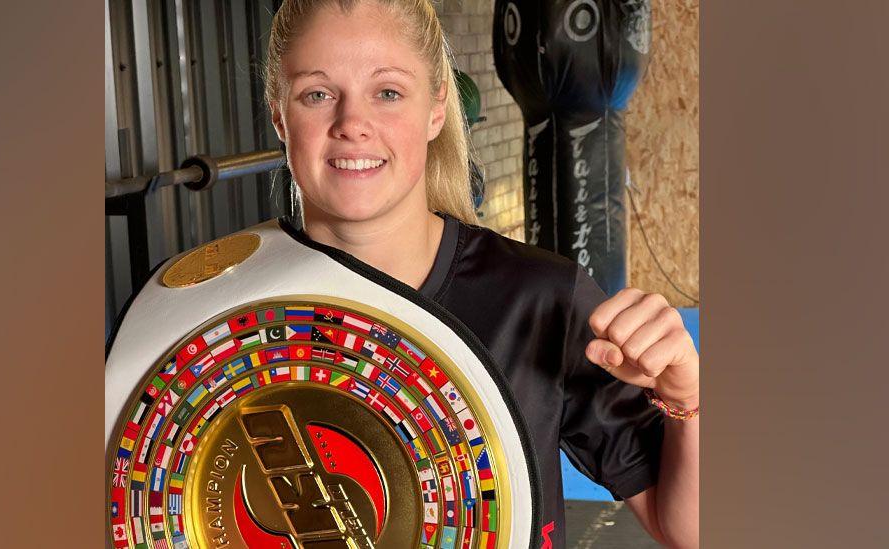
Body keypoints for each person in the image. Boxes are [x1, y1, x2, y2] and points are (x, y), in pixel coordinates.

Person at [264, 0, 699, 547]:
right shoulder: (218, 315)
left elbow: (691, 530)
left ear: (436, 109)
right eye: (318, 94)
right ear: (279, 112)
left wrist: (687, 399)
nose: (353, 124)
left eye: (388, 92)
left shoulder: (540, 301)